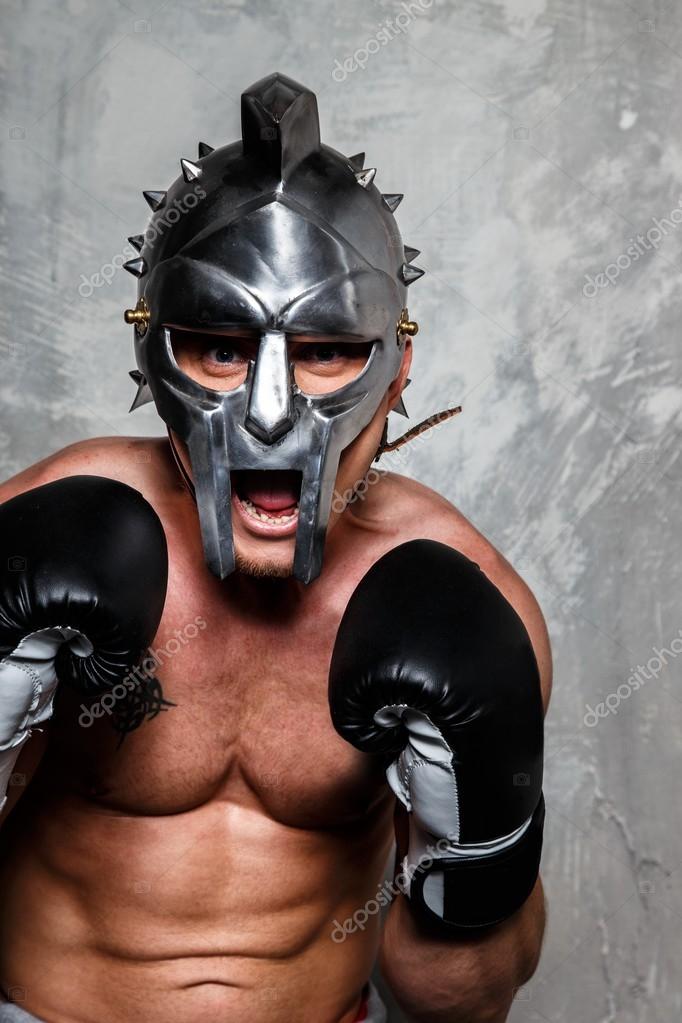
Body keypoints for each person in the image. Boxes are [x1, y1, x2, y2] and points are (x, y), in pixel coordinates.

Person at [0, 73, 551, 1023]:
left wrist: (481, 866)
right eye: (218, 345)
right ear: (152, 353)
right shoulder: (39, 527)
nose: (268, 413)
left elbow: (458, 1004)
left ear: (397, 365)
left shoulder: (468, 599)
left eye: (326, 350)